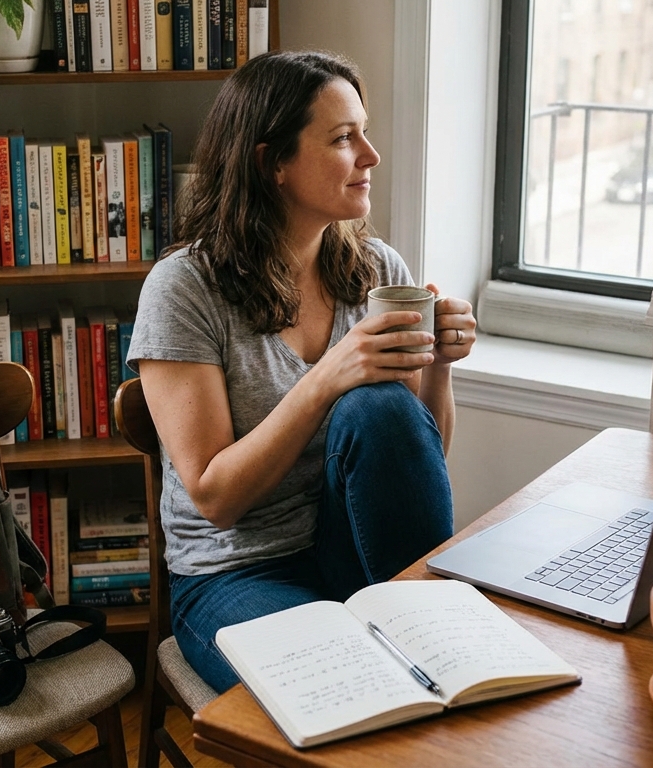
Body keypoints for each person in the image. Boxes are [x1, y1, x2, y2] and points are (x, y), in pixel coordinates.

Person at [126, 50, 478, 693]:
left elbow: (415, 458)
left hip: (348, 547)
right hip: (233, 574)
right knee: (357, 681)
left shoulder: (376, 271)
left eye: (364, 133)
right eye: (344, 138)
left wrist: (441, 369)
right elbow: (214, 497)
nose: (370, 155)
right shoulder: (184, 288)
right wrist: (326, 378)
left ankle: (437, 634)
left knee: (381, 409)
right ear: (273, 163)